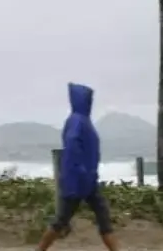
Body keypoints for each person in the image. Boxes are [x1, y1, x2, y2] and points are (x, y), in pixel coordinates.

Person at [36, 82, 120, 251]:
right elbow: (73, 144)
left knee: (103, 216)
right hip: (77, 181)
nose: (91, 100)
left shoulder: (82, 120)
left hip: (88, 180)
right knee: (61, 220)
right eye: (88, 97)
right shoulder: (77, 121)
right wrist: (80, 171)